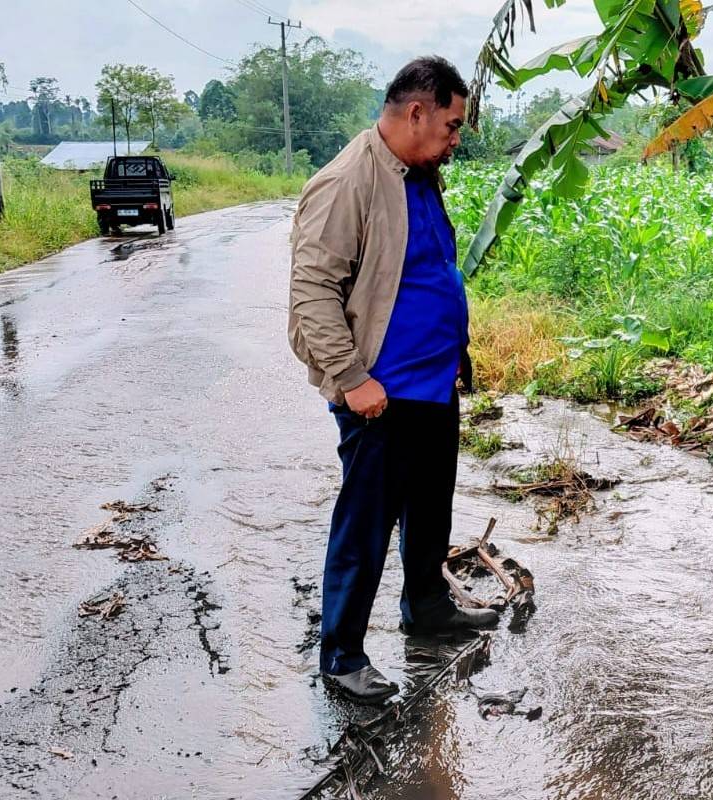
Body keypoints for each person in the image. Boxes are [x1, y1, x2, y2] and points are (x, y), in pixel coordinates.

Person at [288, 56, 498, 703]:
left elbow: (427, 266)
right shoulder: (349, 179)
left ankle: (427, 606)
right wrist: (352, 378)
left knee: (431, 508)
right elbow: (311, 290)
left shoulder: (420, 174)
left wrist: (454, 350)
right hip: (380, 393)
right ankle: (343, 656)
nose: (456, 138)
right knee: (366, 525)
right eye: (452, 125)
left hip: (431, 385)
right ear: (417, 112)